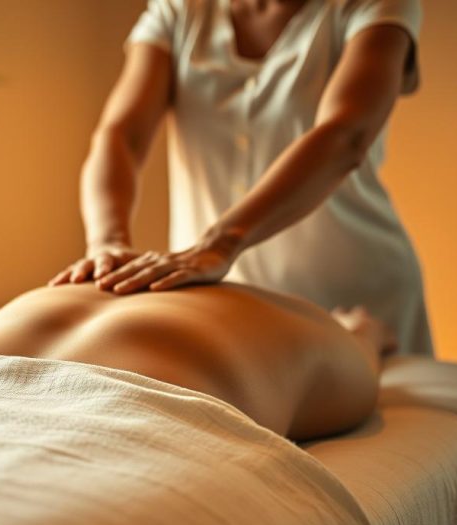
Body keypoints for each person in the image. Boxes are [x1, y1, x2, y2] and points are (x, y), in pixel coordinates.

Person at [49, 0, 435, 356]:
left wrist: (221, 243)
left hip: (354, 298)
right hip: (217, 301)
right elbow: (122, 136)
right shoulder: (182, 9)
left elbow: (346, 136)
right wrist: (107, 243)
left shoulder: (372, 5)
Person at [0, 282, 394, 441]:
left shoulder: (69, 291)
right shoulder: (303, 324)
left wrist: (107, 242)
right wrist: (363, 333)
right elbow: (361, 363)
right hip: (186, 373)